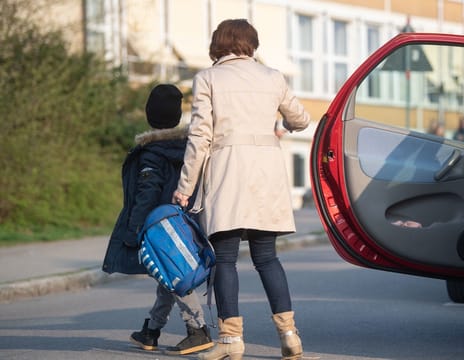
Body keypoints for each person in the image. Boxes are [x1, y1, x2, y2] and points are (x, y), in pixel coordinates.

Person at [172, 19, 311, 360]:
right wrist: (280, 125)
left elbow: (200, 137)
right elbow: (302, 120)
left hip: (227, 175)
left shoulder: (208, 78)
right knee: (267, 259)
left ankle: (231, 342)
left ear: (218, 44)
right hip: (267, 177)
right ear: (251, 44)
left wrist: (184, 187)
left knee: (226, 260)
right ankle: (290, 335)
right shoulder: (273, 77)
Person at [102, 84, 213, 356]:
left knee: (174, 273)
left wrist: (135, 229)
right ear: (176, 116)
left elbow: (147, 192)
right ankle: (151, 330)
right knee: (168, 276)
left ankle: (197, 330)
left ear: (150, 116)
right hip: (187, 219)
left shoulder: (152, 152)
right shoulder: (188, 147)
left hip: (158, 225)